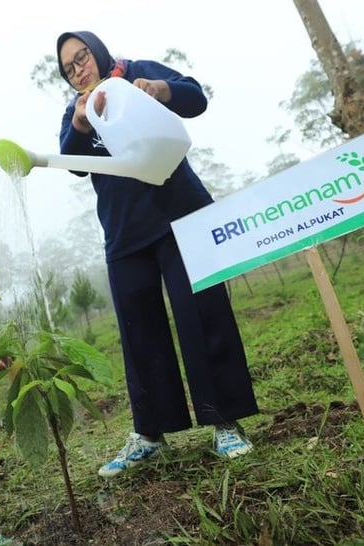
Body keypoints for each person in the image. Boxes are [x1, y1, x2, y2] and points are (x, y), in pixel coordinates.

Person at [55, 31, 260, 478]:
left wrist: (160, 91)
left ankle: (224, 420)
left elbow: (195, 98)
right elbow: (71, 160)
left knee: (202, 316)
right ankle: (150, 432)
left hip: (180, 218)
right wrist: (82, 124)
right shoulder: (77, 111)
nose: (78, 69)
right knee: (138, 331)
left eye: (82, 57)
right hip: (125, 235)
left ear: (98, 50)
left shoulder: (138, 73)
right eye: (69, 68)